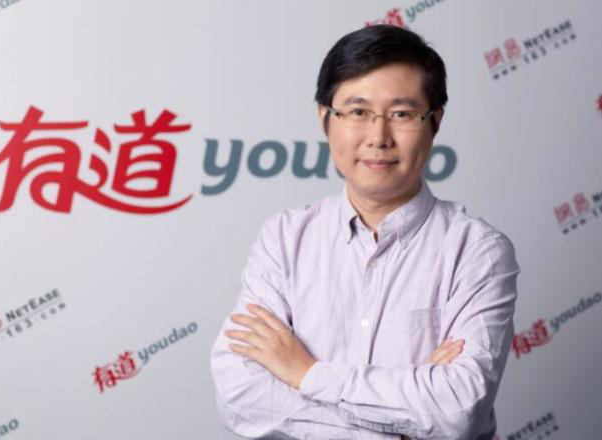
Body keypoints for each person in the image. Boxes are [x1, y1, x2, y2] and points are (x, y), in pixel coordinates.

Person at [210, 24, 520, 440]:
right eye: (358, 112)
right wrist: (405, 423)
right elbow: (240, 394)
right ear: (325, 118)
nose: (378, 137)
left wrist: (306, 373)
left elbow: (458, 410)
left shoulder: (477, 251)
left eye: (401, 114)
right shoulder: (283, 239)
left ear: (435, 121)